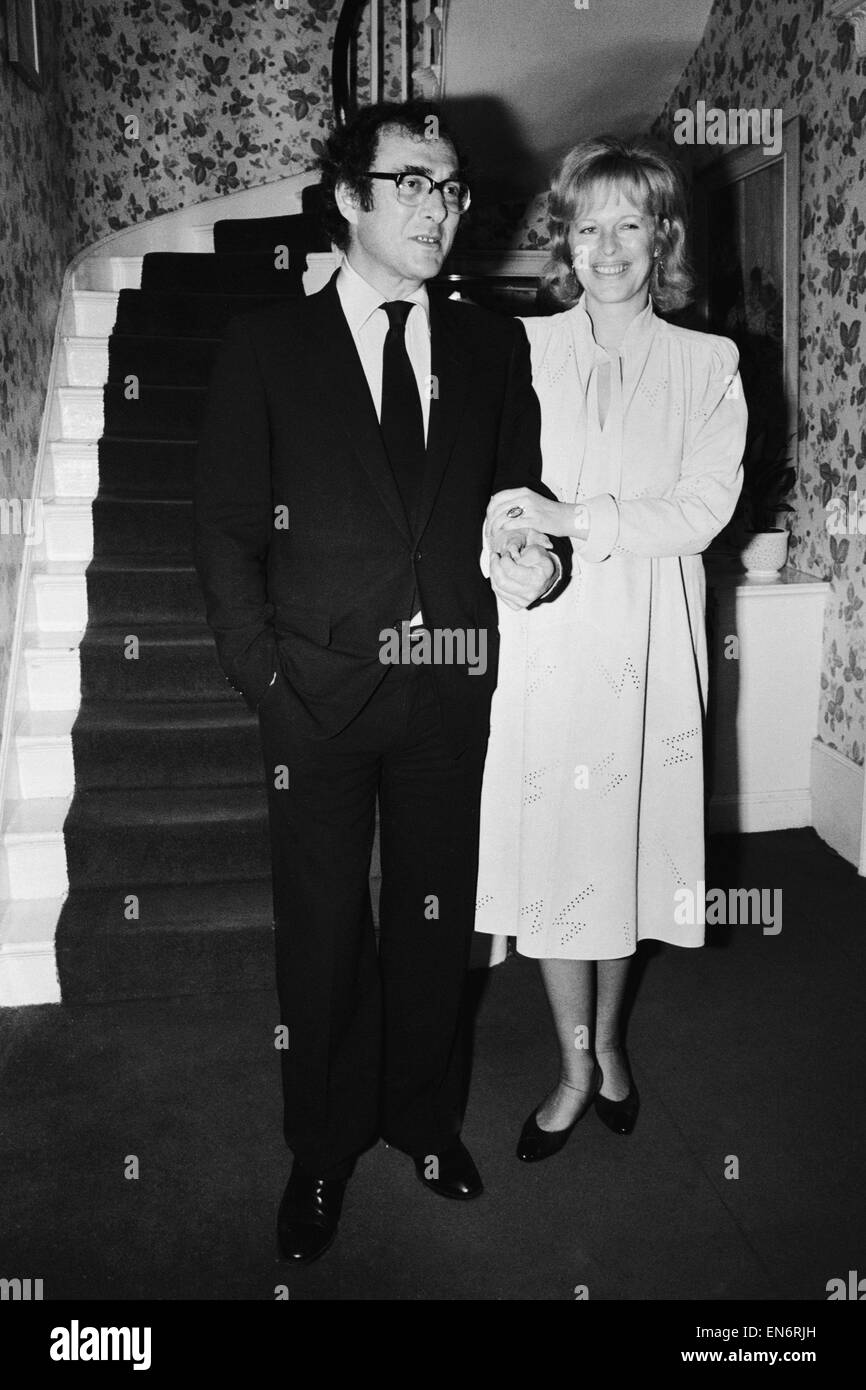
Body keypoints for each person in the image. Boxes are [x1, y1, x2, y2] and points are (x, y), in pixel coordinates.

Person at [193, 100, 566, 1262]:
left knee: (428, 918)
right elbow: (221, 534)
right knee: (320, 932)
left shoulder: (491, 345)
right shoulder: (265, 347)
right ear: (348, 197)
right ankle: (320, 1145)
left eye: (449, 187)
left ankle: (420, 1118)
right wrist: (265, 678)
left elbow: (512, 505)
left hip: (446, 681)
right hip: (313, 692)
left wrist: (534, 563)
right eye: (410, 182)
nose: (437, 207)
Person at [475, 135, 748, 1160]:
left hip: (648, 641)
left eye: (628, 222)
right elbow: (499, 497)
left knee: (628, 851)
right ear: (564, 240)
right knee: (554, 856)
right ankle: (573, 1063)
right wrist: (510, 545)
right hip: (546, 639)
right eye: (585, 225)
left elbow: (698, 512)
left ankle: (610, 1047)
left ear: (660, 236)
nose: (605, 245)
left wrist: (571, 518)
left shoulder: (707, 364)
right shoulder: (521, 351)